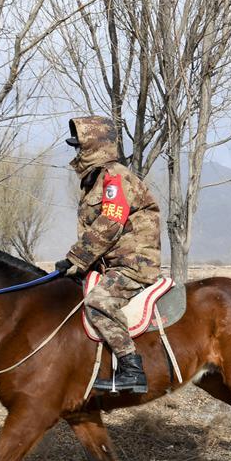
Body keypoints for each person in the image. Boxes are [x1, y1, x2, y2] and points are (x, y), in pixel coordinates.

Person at [55, 116, 162, 394]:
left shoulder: (116, 178)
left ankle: (131, 369)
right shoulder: (96, 181)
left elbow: (111, 221)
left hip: (133, 264)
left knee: (98, 302)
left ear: (94, 147)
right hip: (109, 264)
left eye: (80, 147)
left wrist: (76, 258)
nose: (77, 153)